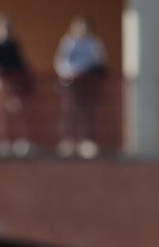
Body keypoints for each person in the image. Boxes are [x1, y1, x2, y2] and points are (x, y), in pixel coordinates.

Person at [53, 17, 106, 158]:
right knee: (69, 111)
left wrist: (88, 71)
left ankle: (86, 141)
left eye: (85, 27)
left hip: (88, 84)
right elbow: (60, 63)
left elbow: (99, 62)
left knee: (86, 112)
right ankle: (68, 141)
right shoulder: (68, 43)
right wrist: (72, 72)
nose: (82, 30)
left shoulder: (94, 43)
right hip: (71, 84)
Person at [0, 16, 30, 156]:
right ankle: (3, 142)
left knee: (19, 112)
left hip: (15, 86)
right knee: (1, 115)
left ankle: (20, 141)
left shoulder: (14, 45)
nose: (7, 31)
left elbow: (21, 64)